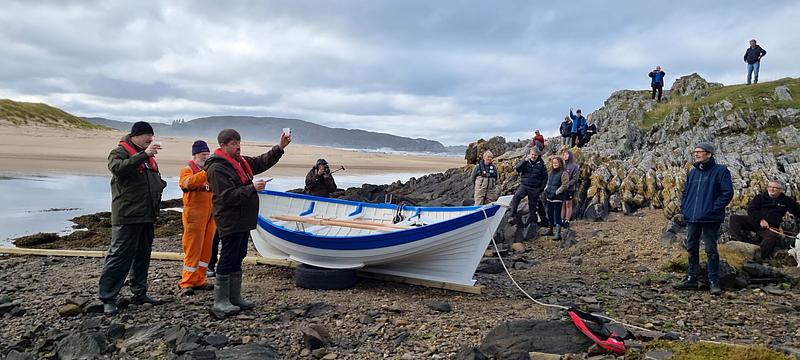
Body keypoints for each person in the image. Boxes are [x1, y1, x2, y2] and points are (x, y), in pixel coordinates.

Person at [205, 128, 291, 316]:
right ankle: (220, 301)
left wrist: (280, 147)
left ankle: (234, 297)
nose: (238, 147)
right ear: (223, 146)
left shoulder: (240, 161)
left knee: (239, 254)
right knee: (228, 256)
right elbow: (226, 197)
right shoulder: (217, 167)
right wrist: (252, 188)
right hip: (229, 219)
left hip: (243, 218)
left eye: (239, 143)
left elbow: (261, 161)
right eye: (234, 144)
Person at [98, 121, 167, 315]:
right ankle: (108, 298)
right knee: (119, 256)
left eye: (152, 136)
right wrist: (144, 154)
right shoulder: (119, 152)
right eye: (147, 135)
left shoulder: (148, 157)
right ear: (135, 136)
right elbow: (118, 169)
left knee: (142, 256)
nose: (150, 139)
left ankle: (139, 293)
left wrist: (159, 185)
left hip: (147, 215)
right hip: (127, 215)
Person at [673, 142, 733, 296]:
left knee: (711, 250)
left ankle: (714, 282)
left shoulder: (721, 171)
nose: (696, 154)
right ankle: (691, 278)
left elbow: (727, 193)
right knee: (691, 248)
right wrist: (685, 208)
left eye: (700, 152)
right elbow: (685, 193)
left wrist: (712, 209)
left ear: (709, 154)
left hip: (710, 218)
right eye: (695, 152)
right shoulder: (692, 172)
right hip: (692, 217)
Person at [178, 140, 216, 296]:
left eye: (207, 154)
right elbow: (186, 184)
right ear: (194, 155)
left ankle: (200, 279)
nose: (205, 157)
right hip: (194, 215)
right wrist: (206, 173)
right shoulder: (187, 170)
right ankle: (187, 282)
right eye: (202, 155)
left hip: (211, 215)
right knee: (193, 248)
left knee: (206, 248)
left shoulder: (210, 172)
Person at [729, 180, 800, 260]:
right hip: (755, 222)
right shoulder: (760, 197)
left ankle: (758, 257)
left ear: (780, 190)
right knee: (734, 218)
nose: (772, 189)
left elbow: (797, 211)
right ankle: (737, 242)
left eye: (775, 188)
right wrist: (761, 219)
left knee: (771, 237)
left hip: (770, 227)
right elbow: (751, 209)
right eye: (770, 187)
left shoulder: (786, 200)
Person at [508, 147, 548, 226]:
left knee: (532, 205)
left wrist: (540, 189)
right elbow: (518, 169)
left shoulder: (541, 165)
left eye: (535, 155)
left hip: (535, 187)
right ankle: (512, 215)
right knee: (516, 196)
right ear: (529, 154)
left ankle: (532, 223)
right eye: (532, 154)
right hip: (524, 185)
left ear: (538, 155)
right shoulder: (526, 162)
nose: (533, 156)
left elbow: (545, 178)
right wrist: (524, 161)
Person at [544, 156, 569, 240]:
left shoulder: (564, 173)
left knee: (557, 214)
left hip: (558, 197)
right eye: (553, 163)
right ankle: (550, 229)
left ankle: (558, 233)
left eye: (556, 163)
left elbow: (565, 185)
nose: (554, 164)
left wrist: (557, 192)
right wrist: (546, 188)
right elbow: (549, 182)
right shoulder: (551, 172)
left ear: (560, 164)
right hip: (549, 196)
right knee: (549, 213)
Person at [561, 150, 580, 228]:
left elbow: (575, 179)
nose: (565, 156)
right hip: (561, 188)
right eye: (564, 155)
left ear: (570, 156)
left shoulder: (575, 166)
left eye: (567, 155)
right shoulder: (562, 165)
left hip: (570, 189)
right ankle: (561, 219)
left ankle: (567, 220)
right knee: (562, 204)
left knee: (568, 204)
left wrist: (567, 184)